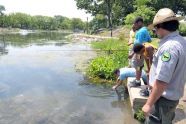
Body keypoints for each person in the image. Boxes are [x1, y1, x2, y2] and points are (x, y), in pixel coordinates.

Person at [142, 8, 186, 124]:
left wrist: (148, 104)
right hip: (170, 97)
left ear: (161, 26)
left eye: (155, 28)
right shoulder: (182, 41)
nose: (155, 32)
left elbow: (162, 81)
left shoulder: (169, 48)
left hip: (163, 100)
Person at [129, 17, 152, 87]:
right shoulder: (145, 30)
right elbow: (149, 40)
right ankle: (137, 79)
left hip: (138, 53)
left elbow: (138, 44)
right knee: (139, 66)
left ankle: (137, 81)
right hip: (141, 52)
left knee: (138, 66)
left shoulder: (141, 31)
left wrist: (132, 54)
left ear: (139, 23)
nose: (134, 26)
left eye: (135, 24)